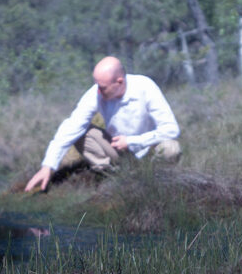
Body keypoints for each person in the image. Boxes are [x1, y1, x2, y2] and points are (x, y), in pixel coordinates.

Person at [24, 56, 181, 192]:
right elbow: (70, 127)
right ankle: (113, 176)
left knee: (171, 148)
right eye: (97, 85)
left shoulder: (145, 87)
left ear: (119, 82)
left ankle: (156, 181)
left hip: (148, 153)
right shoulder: (96, 93)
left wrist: (132, 141)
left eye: (103, 87)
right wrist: (48, 166)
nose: (98, 91)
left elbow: (171, 129)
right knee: (81, 134)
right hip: (118, 154)